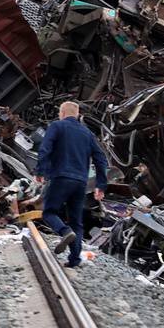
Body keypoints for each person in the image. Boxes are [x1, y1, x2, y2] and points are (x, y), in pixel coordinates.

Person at [36, 100, 109, 268]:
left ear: (62, 113)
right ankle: (74, 259)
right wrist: (101, 185)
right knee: (76, 221)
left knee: (49, 212)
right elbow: (101, 159)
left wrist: (40, 171)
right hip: (80, 183)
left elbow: (44, 148)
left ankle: (64, 231)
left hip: (61, 177)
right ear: (77, 115)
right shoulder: (87, 133)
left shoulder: (57, 126)